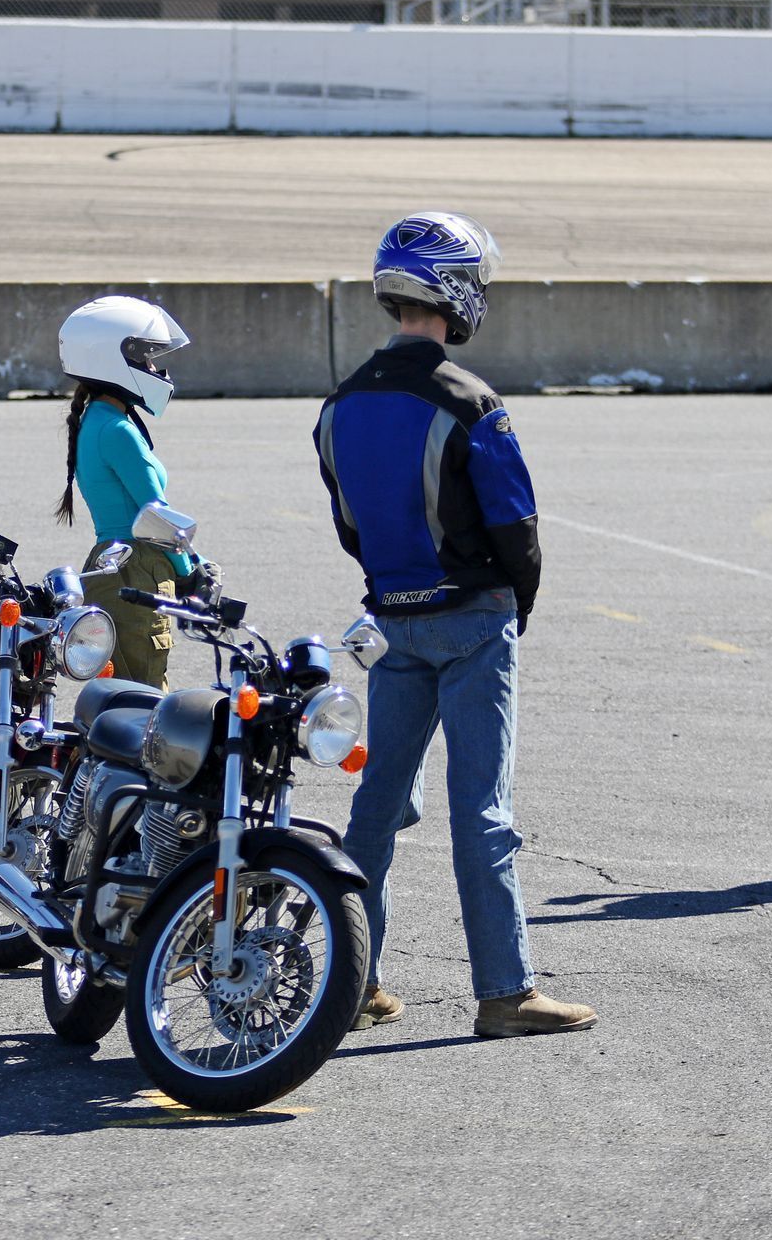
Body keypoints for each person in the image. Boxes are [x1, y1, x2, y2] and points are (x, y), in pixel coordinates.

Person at [315, 211, 596, 1039]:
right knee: (483, 810)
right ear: (456, 289)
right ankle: (504, 992)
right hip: (471, 616)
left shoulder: (340, 403)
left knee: (376, 808)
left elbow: (350, 525)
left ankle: (348, 980)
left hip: (391, 619)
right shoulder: (470, 400)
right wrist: (516, 605)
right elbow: (518, 527)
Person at [53, 295, 214, 689]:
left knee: (120, 690)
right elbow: (155, 515)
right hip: (137, 563)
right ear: (114, 360)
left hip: (116, 560)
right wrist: (191, 570)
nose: (156, 368)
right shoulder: (118, 430)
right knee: (143, 694)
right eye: (147, 358)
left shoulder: (97, 416)